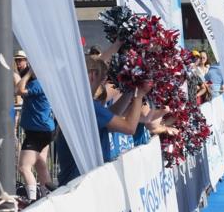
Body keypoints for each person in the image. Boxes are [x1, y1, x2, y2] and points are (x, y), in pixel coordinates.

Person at [53, 55, 153, 186]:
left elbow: (111, 114)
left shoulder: (80, 102)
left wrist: (130, 91)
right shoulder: (88, 106)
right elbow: (129, 128)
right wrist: (139, 96)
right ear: (92, 75)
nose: (103, 85)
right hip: (81, 184)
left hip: (78, 181)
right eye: (102, 80)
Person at [14, 51, 55, 202]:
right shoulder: (42, 82)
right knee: (40, 165)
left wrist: (29, 73)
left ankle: (32, 200)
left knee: (24, 167)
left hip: (37, 132)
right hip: (43, 130)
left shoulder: (37, 83)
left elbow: (18, 90)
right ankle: (48, 198)